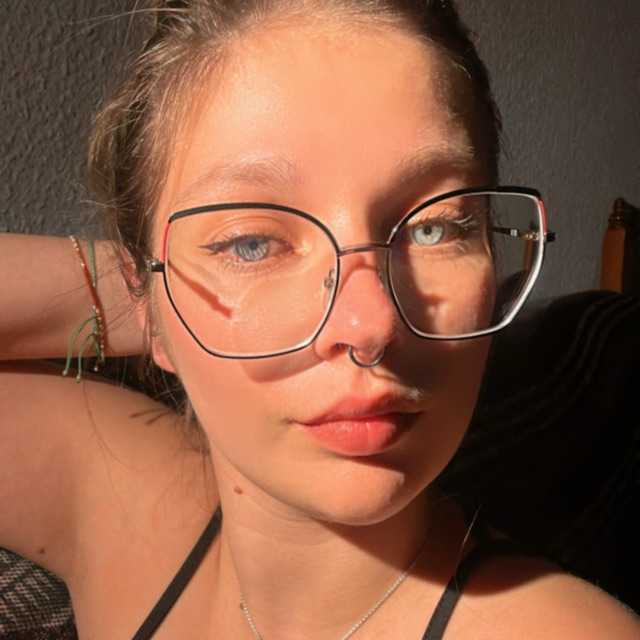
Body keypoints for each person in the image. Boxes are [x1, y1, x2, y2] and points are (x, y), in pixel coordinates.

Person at [1, 1, 639, 638]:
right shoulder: (111, 497)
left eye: (436, 227)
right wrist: (156, 298)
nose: (370, 328)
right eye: (251, 243)